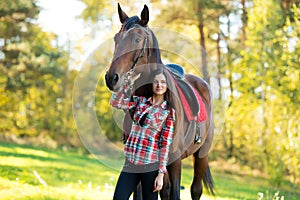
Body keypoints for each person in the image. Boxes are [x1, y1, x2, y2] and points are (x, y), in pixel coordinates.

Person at [110, 68, 176, 200]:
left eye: (163, 82)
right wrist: (124, 84)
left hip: (150, 166)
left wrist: (161, 174)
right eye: (156, 82)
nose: (159, 85)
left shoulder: (168, 112)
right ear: (151, 84)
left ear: (167, 85)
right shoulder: (140, 102)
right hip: (131, 163)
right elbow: (115, 102)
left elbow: (165, 144)